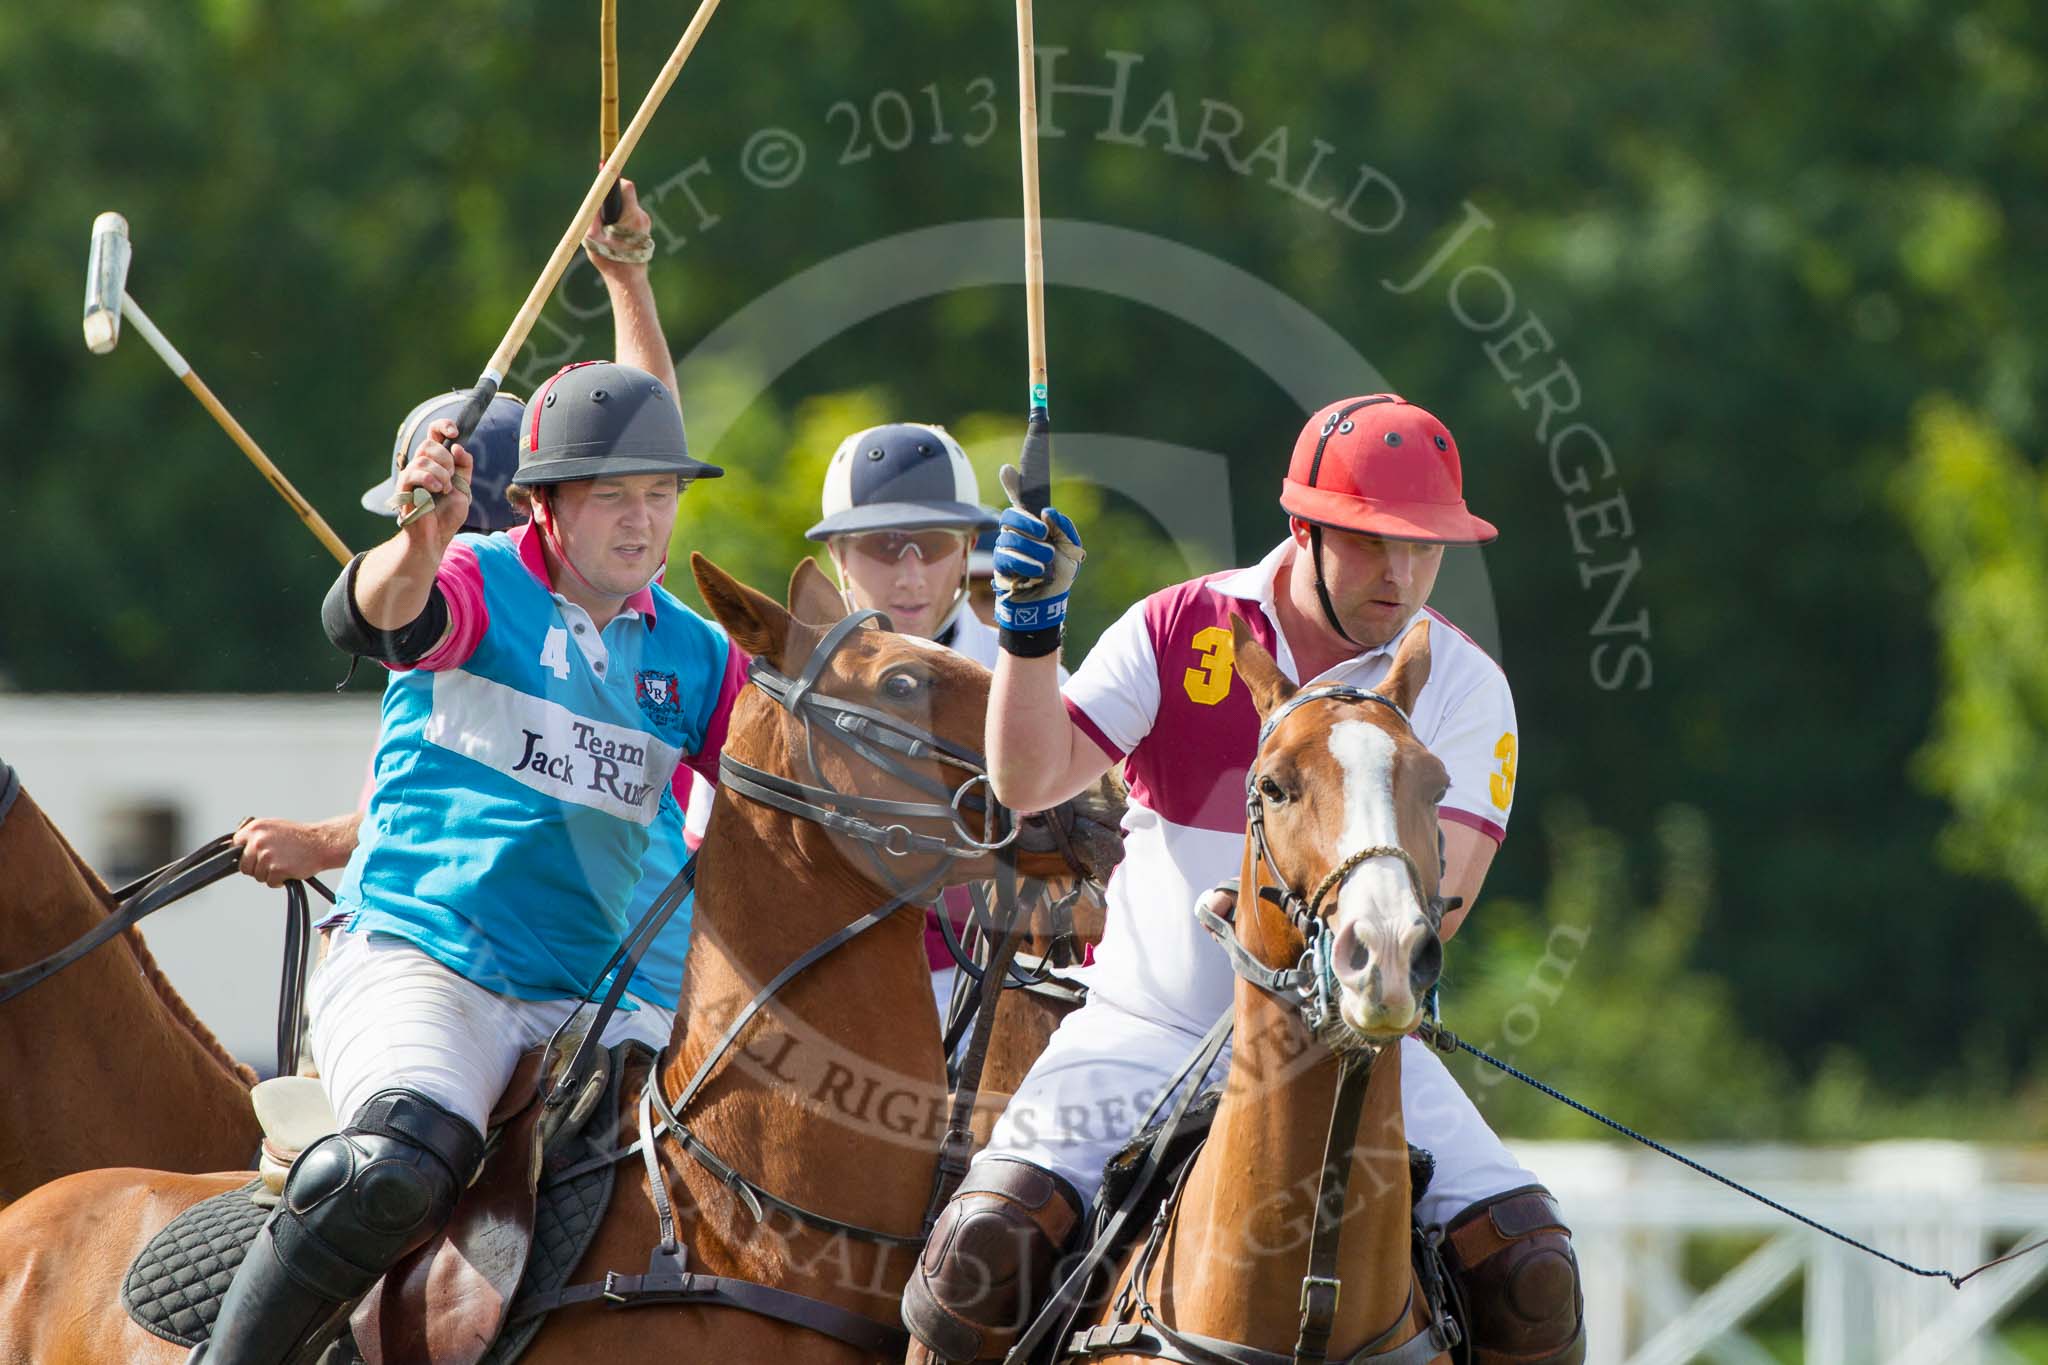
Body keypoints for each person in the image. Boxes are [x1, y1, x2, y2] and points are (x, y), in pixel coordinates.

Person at [903, 396, 1585, 1365]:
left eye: (1423, 549)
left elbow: (1446, 895)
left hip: (1353, 1047)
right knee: (975, 1251)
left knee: (1532, 1267)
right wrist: (1028, 636)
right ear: (1301, 530)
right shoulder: (1180, 624)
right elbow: (1024, 781)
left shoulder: (1460, 683)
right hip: (1144, 1030)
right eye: (1367, 544)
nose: (1398, 575)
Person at [189, 356, 741, 1365]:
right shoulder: (479, 577)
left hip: (597, 1001)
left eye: (659, 495)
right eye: (612, 495)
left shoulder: (694, 654)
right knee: (394, 1169)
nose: (642, 520)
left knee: (718, 1169)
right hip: (432, 965)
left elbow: (787, 779)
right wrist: (419, 537)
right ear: (543, 506)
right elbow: (377, 616)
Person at [231, 182, 703, 1023]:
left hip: (620, 985)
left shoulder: (516, 598)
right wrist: (626, 276)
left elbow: (643, 429)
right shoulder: (454, 603)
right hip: (547, 975)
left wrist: (321, 840)